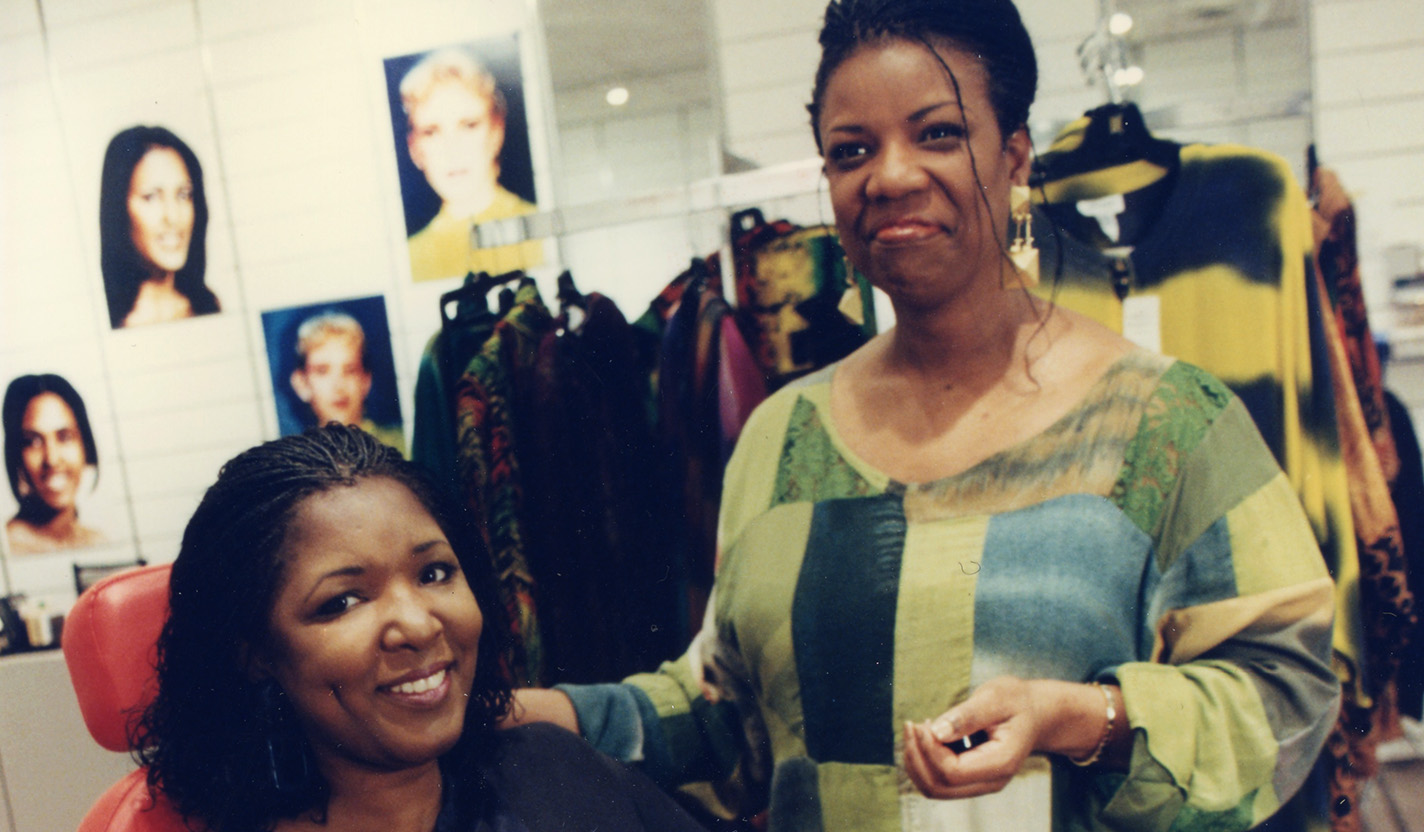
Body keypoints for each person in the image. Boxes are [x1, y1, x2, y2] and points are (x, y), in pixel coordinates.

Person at [504, 1, 1342, 830]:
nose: (891, 176)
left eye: (938, 133)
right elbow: (729, 720)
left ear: (1015, 156)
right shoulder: (782, 438)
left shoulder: (1165, 421)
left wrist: (1081, 718)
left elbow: (1287, 691)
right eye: (852, 150)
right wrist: (539, 715)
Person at [131, 425, 707, 832]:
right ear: (254, 652)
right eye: (343, 602)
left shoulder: (554, 769)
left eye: (434, 573)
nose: (418, 624)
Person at [398, 46, 541, 281]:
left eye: (469, 126)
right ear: (415, 148)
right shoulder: (410, 256)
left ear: (496, 132)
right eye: (431, 132)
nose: (452, 150)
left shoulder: (538, 230)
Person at [99, 125, 220, 329]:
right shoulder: (112, 321)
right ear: (118, 208)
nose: (173, 217)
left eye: (183, 195)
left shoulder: (209, 306)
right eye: (151, 197)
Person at [3, 374, 105, 554]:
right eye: (33, 441)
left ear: (85, 445)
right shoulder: (7, 547)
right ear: (16, 455)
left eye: (65, 437)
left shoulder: (98, 541)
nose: (52, 459)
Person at [288, 312, 404, 453]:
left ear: (366, 381)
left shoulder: (402, 444)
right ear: (301, 384)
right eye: (322, 371)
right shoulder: (296, 457)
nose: (339, 386)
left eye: (350, 370)